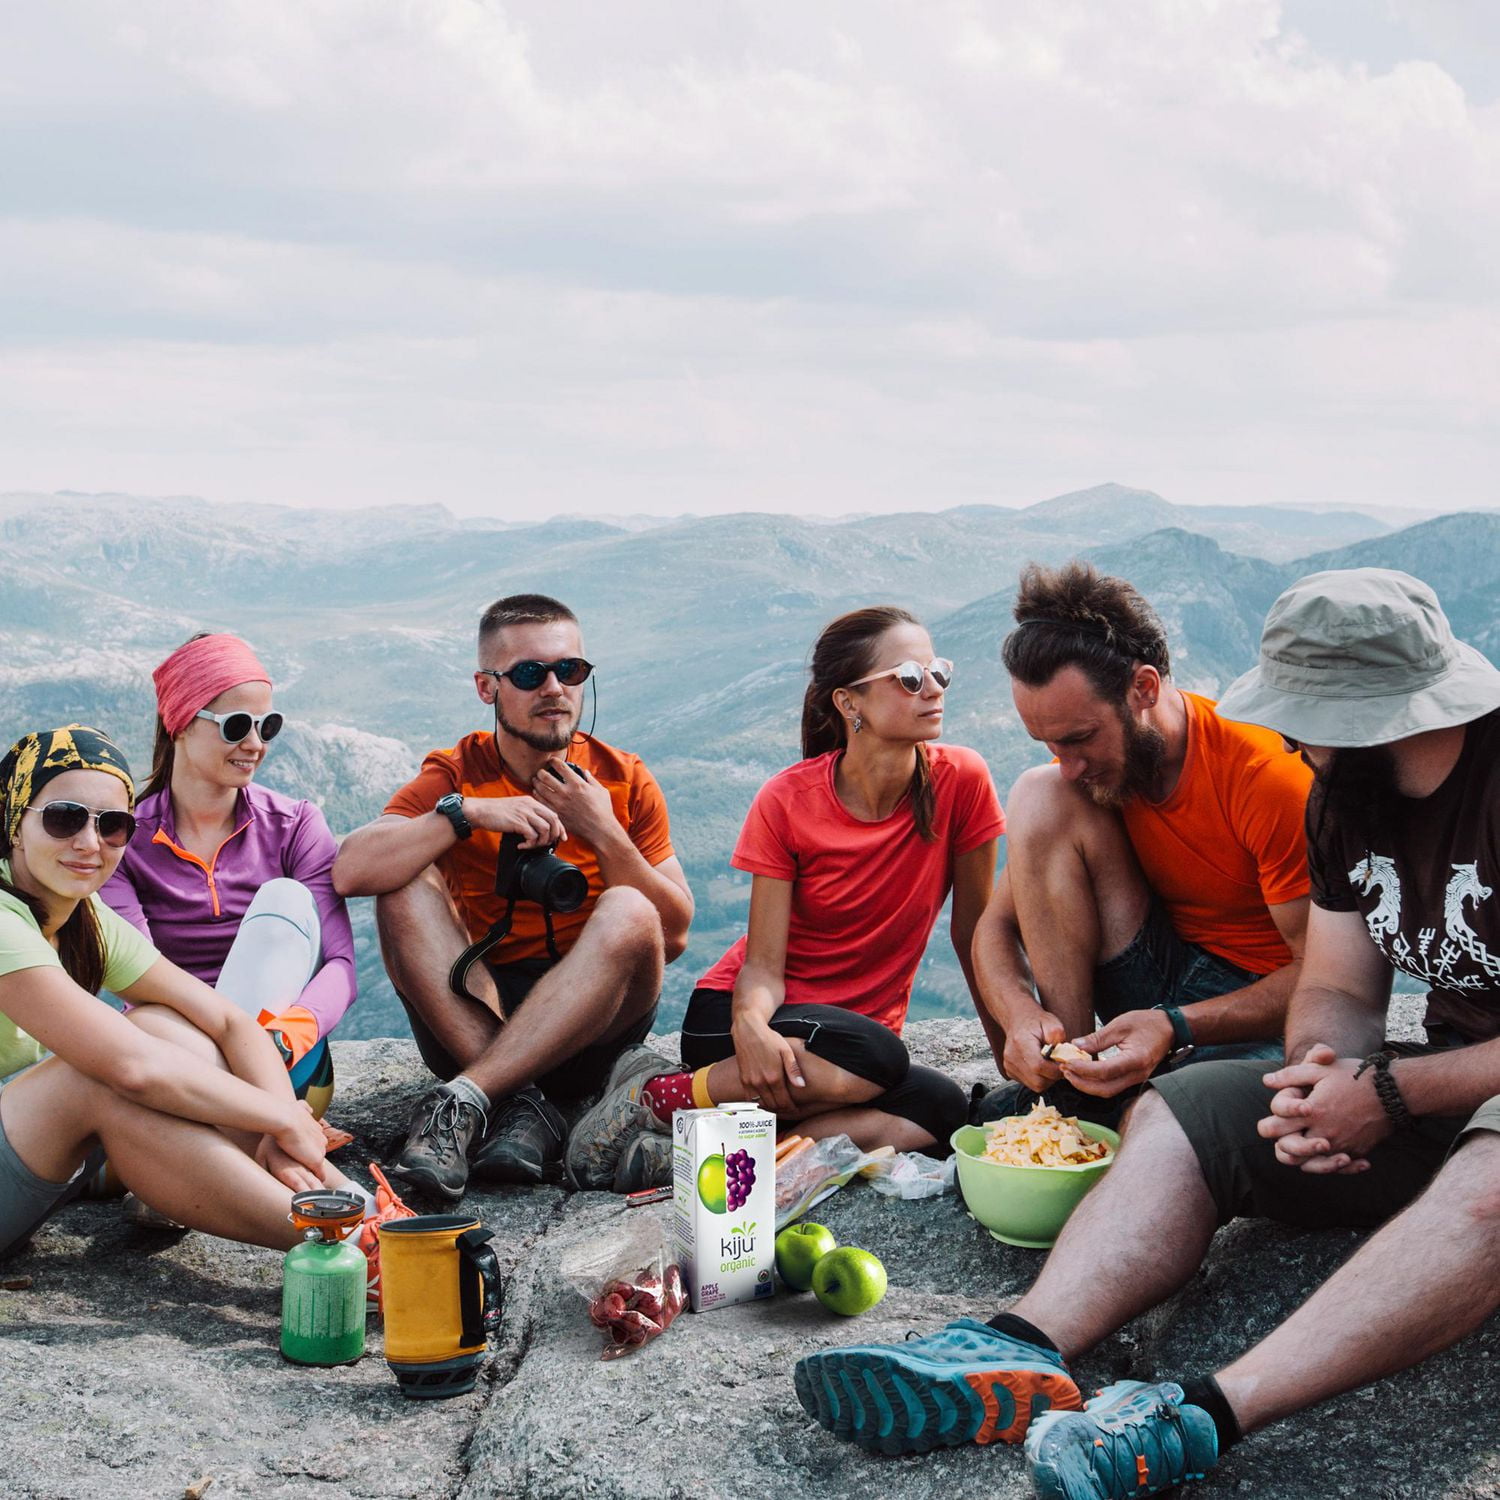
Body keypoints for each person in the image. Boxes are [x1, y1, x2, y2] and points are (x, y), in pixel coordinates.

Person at [793, 568, 1500, 1500]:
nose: (1290, 739)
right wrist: (1317, 1081)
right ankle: (1011, 1350)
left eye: (1308, 719)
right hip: (1437, 1084)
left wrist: (1398, 1094)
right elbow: (1335, 982)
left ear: (1382, 711)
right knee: (1181, 1111)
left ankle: (1200, 1417)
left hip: (1467, 1110)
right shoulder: (1347, 796)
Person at [333, 593, 693, 1202]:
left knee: (631, 907)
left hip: (596, 1021)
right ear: (486, 686)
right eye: (529, 673)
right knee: (400, 878)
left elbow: (674, 934)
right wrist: (466, 814)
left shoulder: (623, 777)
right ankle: (523, 1102)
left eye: (571, 671)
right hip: (482, 1011)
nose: (554, 688)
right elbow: (353, 869)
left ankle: (473, 1100)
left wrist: (601, 828)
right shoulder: (458, 772)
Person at [0, 724, 393, 1274]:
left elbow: (229, 1021)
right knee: (96, 1077)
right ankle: (354, 1245)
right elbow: (131, 1069)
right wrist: (283, 1119)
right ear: (15, 824)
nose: (90, 843)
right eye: (64, 818)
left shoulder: (84, 918)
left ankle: (360, 1207)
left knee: (165, 1024)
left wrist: (283, 1133)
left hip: (23, 1155)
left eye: (113, 826)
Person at [629, 607, 1003, 1154]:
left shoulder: (962, 780)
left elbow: (975, 935)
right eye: (908, 678)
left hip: (852, 1047)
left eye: (939, 671)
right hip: (743, 1022)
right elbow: (762, 963)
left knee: (944, 1113)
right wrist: (752, 1028)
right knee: (878, 1058)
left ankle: (698, 1151)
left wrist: (1007, 1062)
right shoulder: (788, 800)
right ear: (849, 702)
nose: (933, 689)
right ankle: (656, 1097)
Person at [971, 562, 1312, 1124]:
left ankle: (1122, 1099)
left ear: (1144, 688)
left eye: (1081, 738)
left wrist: (1176, 1025)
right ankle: (1070, 1080)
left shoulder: (1263, 777)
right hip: (1163, 972)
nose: (1070, 764)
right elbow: (997, 926)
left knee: (1162, 1122)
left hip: (1260, 1007)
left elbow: (1326, 974)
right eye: (1051, 742)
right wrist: (1019, 1014)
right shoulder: (1091, 776)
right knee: (1039, 793)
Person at [102, 633, 356, 1123]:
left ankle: (221, 1129)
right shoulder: (122, 838)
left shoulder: (295, 825)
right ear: (178, 722)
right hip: (178, 1055)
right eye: (237, 725)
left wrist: (283, 1038)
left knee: (284, 899)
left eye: (268, 726)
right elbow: (136, 979)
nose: (256, 744)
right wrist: (223, 1044)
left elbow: (341, 963)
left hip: (284, 1062)